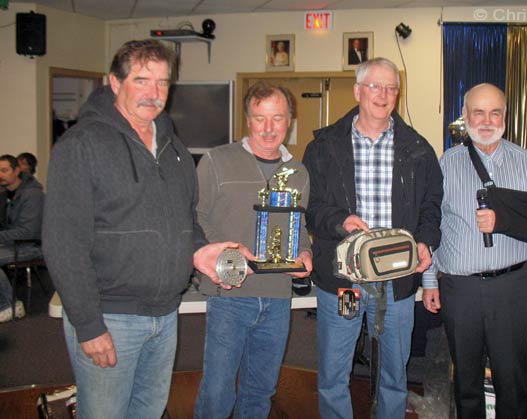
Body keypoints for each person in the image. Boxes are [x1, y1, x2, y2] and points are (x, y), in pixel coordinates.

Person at [42, 39, 240, 419]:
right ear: (114, 83)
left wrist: (202, 251)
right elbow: (63, 243)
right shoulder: (80, 146)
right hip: (110, 317)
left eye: (163, 82)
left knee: (148, 412)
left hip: (165, 316)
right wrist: (88, 325)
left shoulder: (175, 147)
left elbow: (186, 219)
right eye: (142, 80)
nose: (154, 93)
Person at [303, 58, 443, 418]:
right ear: (357, 91)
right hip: (341, 279)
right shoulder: (323, 146)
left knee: (395, 375)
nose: (383, 95)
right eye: (375, 86)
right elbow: (311, 207)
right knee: (334, 375)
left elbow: (431, 206)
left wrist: (425, 241)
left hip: (396, 280)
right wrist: (340, 219)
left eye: (391, 88)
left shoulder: (418, 149)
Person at [422, 83, 527, 419]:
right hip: (460, 288)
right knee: (465, 380)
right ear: (465, 116)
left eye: (494, 112)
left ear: (505, 116)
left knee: (511, 379)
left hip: (510, 287)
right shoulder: (445, 166)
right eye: (478, 112)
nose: (486, 120)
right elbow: (432, 227)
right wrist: (429, 280)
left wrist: (505, 220)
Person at [193, 82, 312, 419]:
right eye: (260, 118)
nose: (269, 128)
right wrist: (223, 253)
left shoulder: (298, 172)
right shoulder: (217, 161)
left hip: (277, 295)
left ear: (290, 120)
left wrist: (304, 254)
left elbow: (299, 227)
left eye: (277, 118)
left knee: (260, 390)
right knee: (217, 391)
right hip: (229, 292)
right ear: (248, 120)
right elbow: (195, 217)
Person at [0, 154, 44, 322]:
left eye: (4, 170)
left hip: (31, 246)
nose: (0, 175)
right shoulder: (6, 193)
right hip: (12, 243)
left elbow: (28, 232)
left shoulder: (33, 195)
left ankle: (10, 306)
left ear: (17, 170)